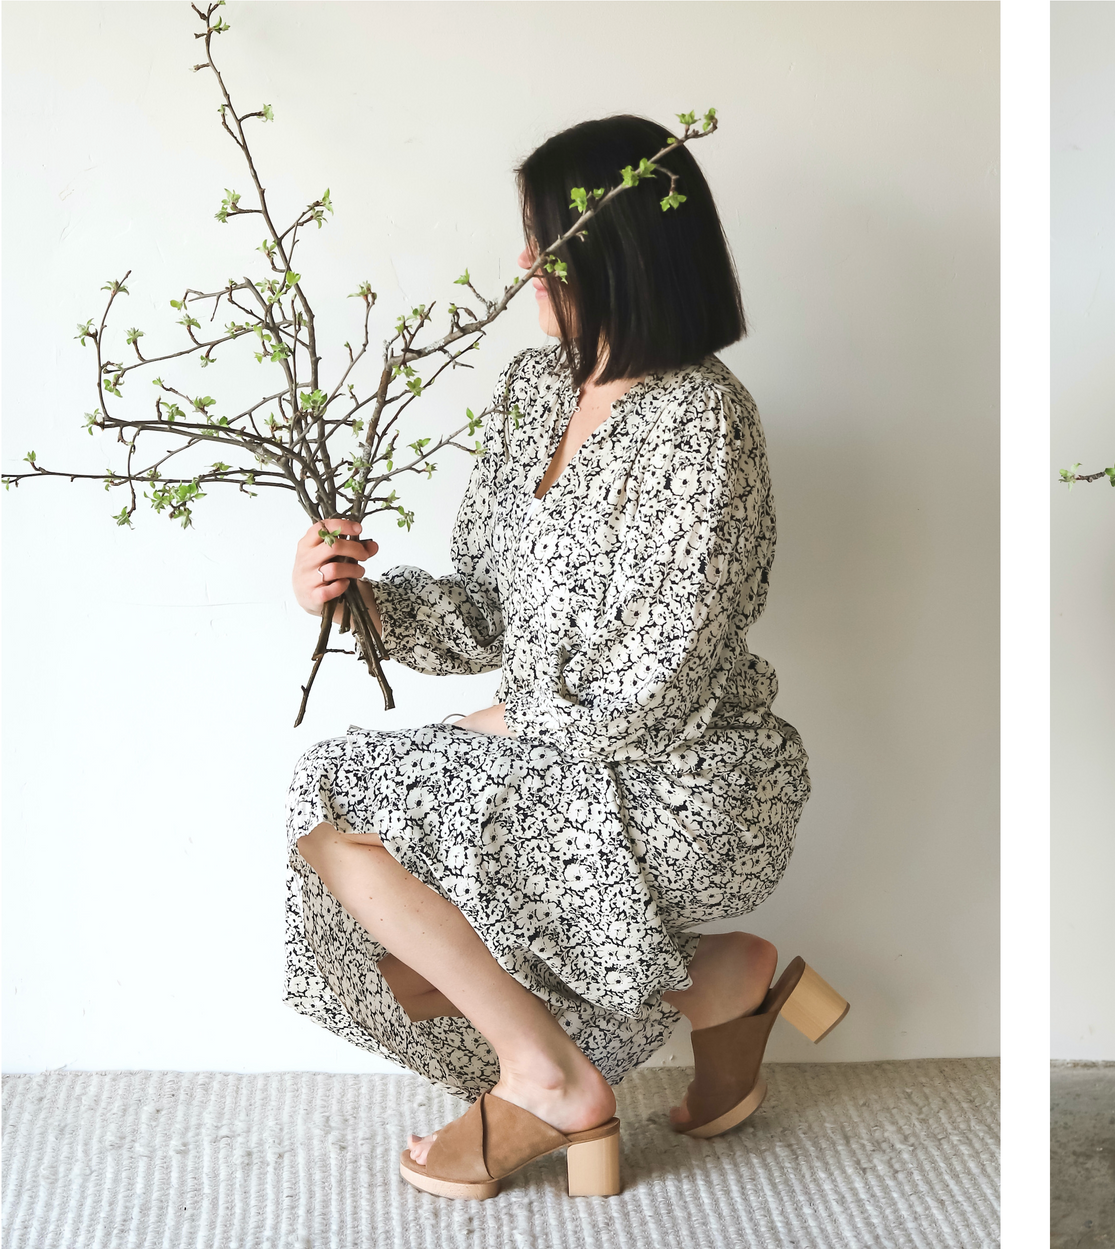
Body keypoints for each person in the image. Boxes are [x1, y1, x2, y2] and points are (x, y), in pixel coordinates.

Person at [282, 114, 847, 1201]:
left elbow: (663, 675)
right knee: (382, 924)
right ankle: (716, 981)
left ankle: (548, 1077)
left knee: (342, 798)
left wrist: (503, 727)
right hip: (559, 757)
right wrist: (359, 604)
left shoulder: (705, 423)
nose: (526, 267)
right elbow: (487, 611)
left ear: (623, 245)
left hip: (688, 779)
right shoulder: (535, 388)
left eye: (548, 241)